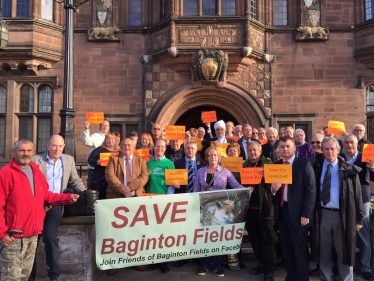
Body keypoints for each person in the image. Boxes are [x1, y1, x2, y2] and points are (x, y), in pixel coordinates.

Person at [0, 139, 79, 281]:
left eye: (29, 151)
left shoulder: (36, 171)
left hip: (32, 233)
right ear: (14, 152)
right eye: (22, 150)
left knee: (25, 276)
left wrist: (67, 198)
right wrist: (2, 232)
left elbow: (46, 195)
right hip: (13, 236)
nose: (26, 153)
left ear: (33, 152)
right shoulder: (5, 174)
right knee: (11, 277)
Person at [28, 135, 85, 281]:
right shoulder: (35, 160)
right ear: (48, 146)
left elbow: (75, 179)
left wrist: (84, 195)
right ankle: (30, 276)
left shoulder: (68, 160)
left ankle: (54, 275)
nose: (57, 149)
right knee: (32, 240)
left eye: (60, 146)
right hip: (37, 206)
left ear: (64, 146)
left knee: (49, 236)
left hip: (56, 205)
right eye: (54, 146)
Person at [311, 137, 363, 281]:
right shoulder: (315, 167)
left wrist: (359, 218)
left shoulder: (349, 169)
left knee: (343, 251)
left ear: (338, 150)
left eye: (332, 148)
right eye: (326, 149)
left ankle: (346, 279)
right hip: (323, 215)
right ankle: (325, 278)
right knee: (324, 251)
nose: (329, 152)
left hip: (344, 216)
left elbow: (358, 196)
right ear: (322, 150)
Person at [193, 146, 246, 277]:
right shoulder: (200, 172)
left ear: (218, 157)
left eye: (215, 155)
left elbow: (236, 185)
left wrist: (246, 190)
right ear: (206, 157)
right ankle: (204, 264)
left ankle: (217, 265)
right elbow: (195, 190)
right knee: (205, 237)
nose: (212, 157)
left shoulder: (225, 171)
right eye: (210, 155)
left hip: (221, 209)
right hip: (204, 208)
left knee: (217, 237)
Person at [269, 136, 316, 281]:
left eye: (288, 146)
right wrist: (273, 189)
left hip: (299, 214)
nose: (285, 149)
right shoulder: (276, 166)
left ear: (294, 148)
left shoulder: (304, 165)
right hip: (282, 212)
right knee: (287, 248)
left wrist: (306, 214)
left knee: (299, 249)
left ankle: (302, 278)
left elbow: (311, 190)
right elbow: (271, 192)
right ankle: (290, 276)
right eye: (282, 146)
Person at [104, 138, 149, 275]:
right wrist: (122, 189)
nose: (127, 147)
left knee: (136, 231)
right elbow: (109, 176)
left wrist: (130, 188)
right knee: (116, 231)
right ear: (120, 147)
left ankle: (136, 260)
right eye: (124, 145)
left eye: (129, 145)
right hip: (116, 198)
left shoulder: (140, 160)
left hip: (135, 199)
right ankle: (114, 262)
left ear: (134, 147)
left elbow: (144, 176)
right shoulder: (113, 160)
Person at [339, 134, 374, 281]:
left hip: (363, 201)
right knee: (342, 236)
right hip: (343, 201)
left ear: (357, 143)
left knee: (363, 235)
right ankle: (342, 266)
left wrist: (372, 169)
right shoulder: (339, 157)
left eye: (352, 142)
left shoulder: (366, 157)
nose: (349, 145)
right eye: (346, 142)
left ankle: (366, 268)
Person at [243, 141, 277, 281]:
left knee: (267, 240)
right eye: (249, 150)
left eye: (254, 150)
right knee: (255, 240)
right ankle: (261, 263)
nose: (252, 152)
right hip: (249, 209)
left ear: (260, 151)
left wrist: (267, 178)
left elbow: (273, 185)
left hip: (265, 209)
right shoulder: (244, 165)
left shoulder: (268, 164)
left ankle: (269, 270)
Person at [146, 138, 174, 273]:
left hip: (163, 201)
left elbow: (172, 184)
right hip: (149, 200)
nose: (160, 149)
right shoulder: (147, 164)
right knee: (151, 232)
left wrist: (167, 199)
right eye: (158, 146)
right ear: (154, 147)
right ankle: (153, 259)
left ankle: (163, 260)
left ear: (165, 149)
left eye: (162, 147)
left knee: (162, 232)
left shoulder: (169, 163)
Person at [88, 133, 120, 199]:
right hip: (101, 176)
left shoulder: (119, 151)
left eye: (112, 139)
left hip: (116, 177)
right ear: (105, 140)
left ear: (115, 140)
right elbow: (90, 159)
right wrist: (97, 162)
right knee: (102, 195)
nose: (110, 141)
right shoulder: (100, 149)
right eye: (108, 139)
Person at [82, 119, 110, 186]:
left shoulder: (109, 138)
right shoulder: (96, 136)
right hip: (94, 169)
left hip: (106, 170)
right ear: (100, 127)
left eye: (107, 126)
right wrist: (87, 128)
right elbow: (86, 141)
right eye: (103, 125)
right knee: (94, 191)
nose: (105, 127)